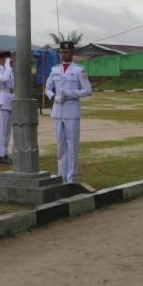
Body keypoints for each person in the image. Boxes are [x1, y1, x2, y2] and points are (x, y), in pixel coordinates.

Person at [44, 41, 92, 183]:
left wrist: (70, 93)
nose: (63, 54)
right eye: (61, 52)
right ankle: (61, 176)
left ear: (72, 53)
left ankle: (71, 178)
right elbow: (47, 88)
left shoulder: (78, 70)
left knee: (72, 146)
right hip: (58, 111)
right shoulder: (55, 70)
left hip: (72, 112)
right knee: (60, 146)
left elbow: (88, 90)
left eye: (66, 52)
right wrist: (54, 96)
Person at [0, 50, 14, 165]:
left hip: (10, 101)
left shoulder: (10, 71)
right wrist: (6, 66)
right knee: (2, 131)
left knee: (8, 131)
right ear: (1, 60)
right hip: (2, 102)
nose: (9, 61)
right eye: (7, 59)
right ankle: (0, 154)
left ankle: (5, 153)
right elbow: (4, 79)